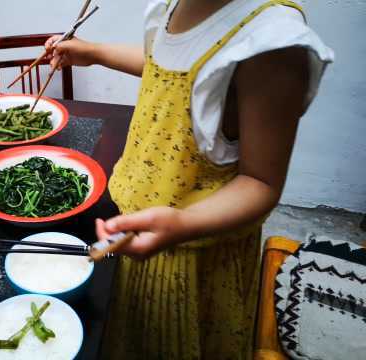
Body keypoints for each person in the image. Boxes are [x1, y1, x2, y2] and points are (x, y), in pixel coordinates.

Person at [45, 0, 333, 358]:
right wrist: (96, 52)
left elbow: (261, 182)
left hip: (190, 259)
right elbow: (170, 67)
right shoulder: (171, 5)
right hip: (134, 227)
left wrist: (183, 223)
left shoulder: (271, 42)